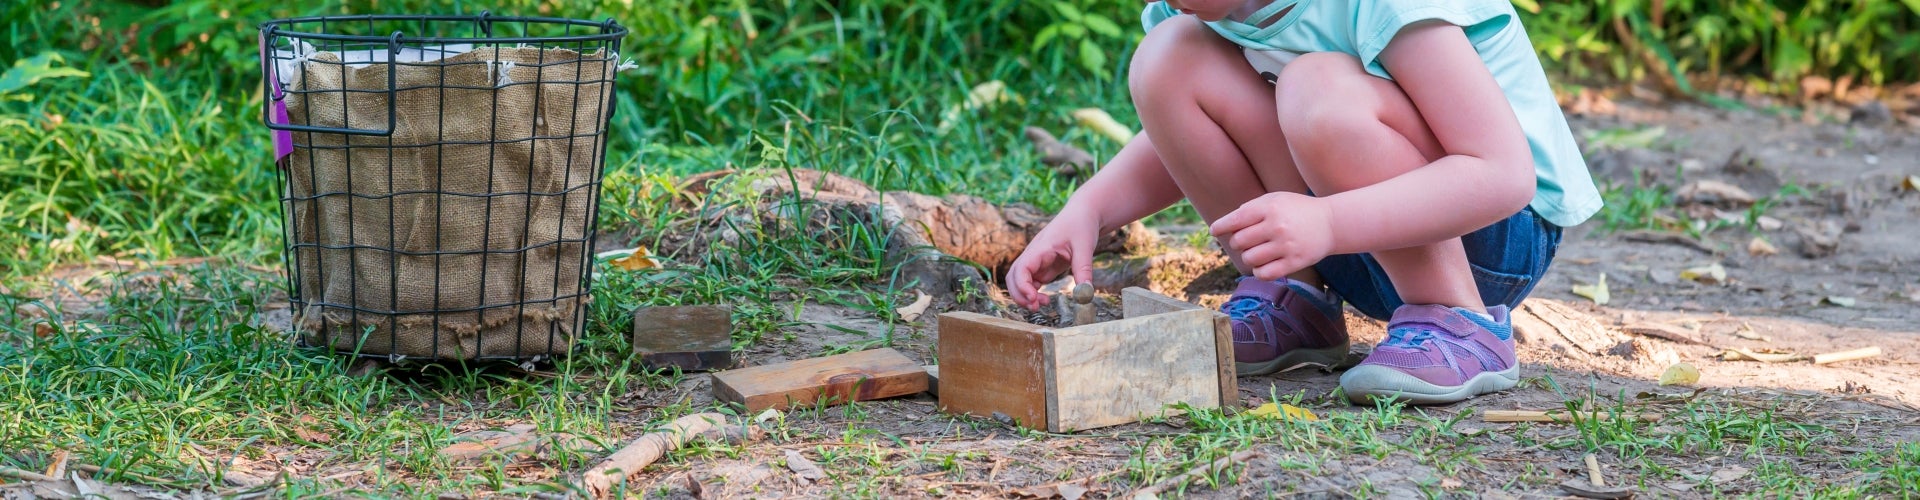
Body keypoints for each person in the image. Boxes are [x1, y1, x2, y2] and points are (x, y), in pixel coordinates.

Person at [1004, 0, 1602, 405]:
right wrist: (1089, 209)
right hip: (1342, 236)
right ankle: (1296, 297)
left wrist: (1329, 220)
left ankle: (1457, 321)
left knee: (1317, 87)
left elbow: (1501, 175)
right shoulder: (1197, 10)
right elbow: (1191, 129)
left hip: (1487, 239)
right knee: (1169, 55)